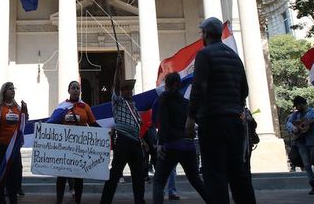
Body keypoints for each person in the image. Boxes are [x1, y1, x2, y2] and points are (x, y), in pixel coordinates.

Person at [185, 17, 255, 204]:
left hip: (213, 120)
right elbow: (245, 89)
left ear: (206, 35)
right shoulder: (234, 56)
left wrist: (191, 117)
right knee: (238, 172)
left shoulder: (204, 54)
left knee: (214, 173)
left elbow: (197, 87)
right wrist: (235, 106)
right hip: (234, 120)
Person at [152, 72, 209, 204]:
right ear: (178, 84)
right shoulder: (185, 102)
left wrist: (160, 143)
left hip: (171, 145)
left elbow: (163, 124)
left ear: (168, 85)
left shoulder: (163, 100)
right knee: (196, 180)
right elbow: (197, 120)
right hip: (188, 146)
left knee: (159, 182)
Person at [100, 53, 145, 204]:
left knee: (138, 175)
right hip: (123, 141)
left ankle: (139, 200)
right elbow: (116, 85)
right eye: (126, 89)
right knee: (115, 174)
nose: (128, 91)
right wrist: (118, 68)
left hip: (135, 143)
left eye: (130, 89)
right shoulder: (118, 102)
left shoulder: (134, 106)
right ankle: (105, 201)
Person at [50, 80, 99, 204]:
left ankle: (78, 200)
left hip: (79, 148)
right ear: (69, 91)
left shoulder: (85, 107)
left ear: (80, 91)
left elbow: (93, 124)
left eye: (78, 88)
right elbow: (52, 123)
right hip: (65, 146)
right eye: (73, 88)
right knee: (61, 175)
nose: (76, 90)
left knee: (78, 176)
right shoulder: (62, 107)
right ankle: (58, 200)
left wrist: (105, 132)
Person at [0, 82, 28, 204]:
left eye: (14, 89)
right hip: (0, 146)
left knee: (14, 176)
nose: (13, 91)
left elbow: (24, 122)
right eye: (10, 89)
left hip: (14, 147)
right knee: (1, 177)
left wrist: (25, 110)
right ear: (4, 91)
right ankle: (1, 201)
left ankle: (13, 200)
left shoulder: (18, 108)